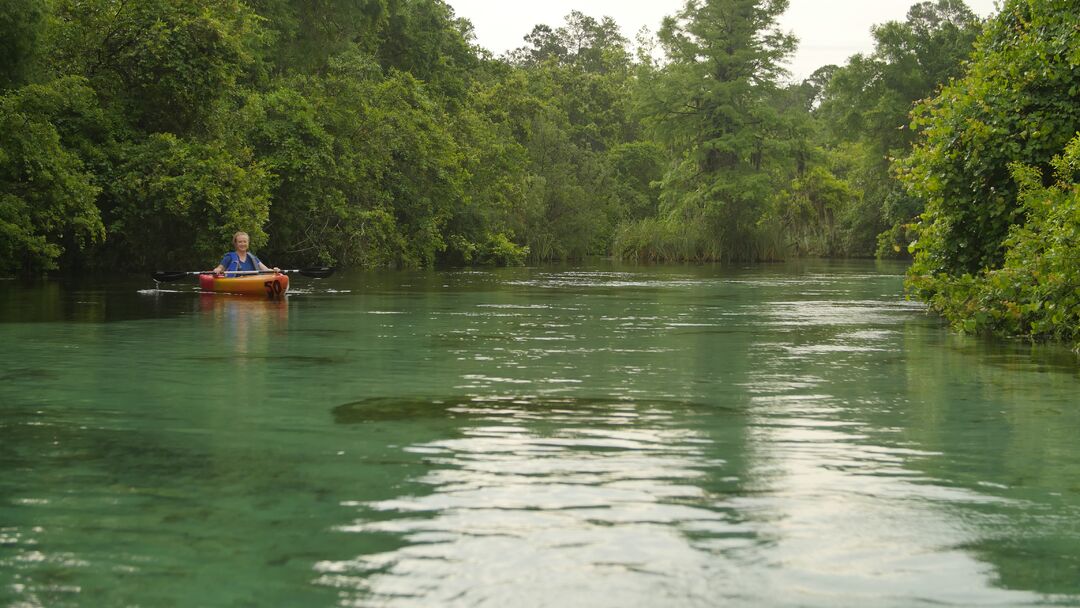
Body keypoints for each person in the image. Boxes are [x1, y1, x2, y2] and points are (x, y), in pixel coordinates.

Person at [209, 231, 281, 276]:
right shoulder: (229, 257)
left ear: (248, 243)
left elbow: (266, 270)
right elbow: (219, 268)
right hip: (235, 284)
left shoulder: (253, 258)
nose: (242, 244)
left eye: (245, 241)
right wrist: (217, 270)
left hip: (252, 283)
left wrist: (274, 270)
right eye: (240, 242)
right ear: (235, 244)